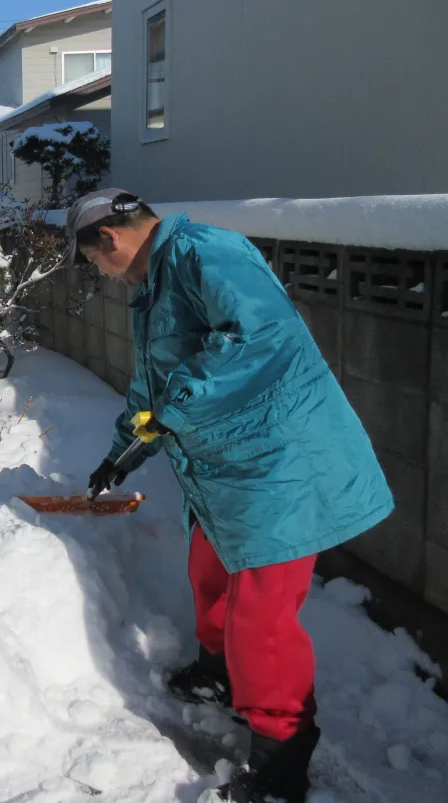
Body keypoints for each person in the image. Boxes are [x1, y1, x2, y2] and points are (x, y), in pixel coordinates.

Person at [68, 189, 393, 803]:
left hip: (279, 463)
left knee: (261, 616)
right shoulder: (156, 283)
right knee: (209, 573)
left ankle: (282, 757)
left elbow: (260, 338)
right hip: (227, 469)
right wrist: (121, 453)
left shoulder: (204, 253)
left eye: (91, 261)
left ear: (109, 240)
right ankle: (219, 676)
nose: (98, 274)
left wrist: (175, 407)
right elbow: (152, 391)